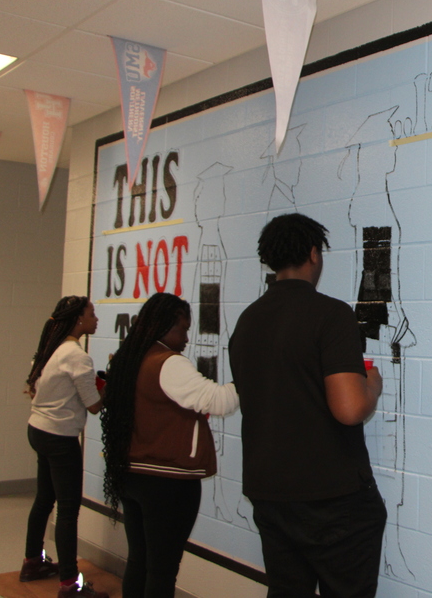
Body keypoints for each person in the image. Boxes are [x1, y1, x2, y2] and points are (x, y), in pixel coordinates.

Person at [228, 212, 387, 598]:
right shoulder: (331, 315)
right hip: (331, 497)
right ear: (314, 254)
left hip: (270, 492)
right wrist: (372, 386)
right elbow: (348, 409)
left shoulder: (247, 321)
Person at [100, 293, 239, 598]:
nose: (187, 338)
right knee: (162, 571)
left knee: (140, 561)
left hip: (132, 475)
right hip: (167, 483)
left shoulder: (131, 358)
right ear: (163, 326)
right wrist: (249, 378)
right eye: (182, 329)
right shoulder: (168, 363)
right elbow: (217, 401)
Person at [21, 295, 109, 598]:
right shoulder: (77, 356)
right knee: (68, 510)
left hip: (39, 430)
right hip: (59, 438)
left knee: (44, 499)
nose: (96, 319)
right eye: (91, 314)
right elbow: (95, 406)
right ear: (78, 320)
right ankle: (70, 585)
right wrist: (113, 384)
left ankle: (33, 563)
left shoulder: (50, 349)